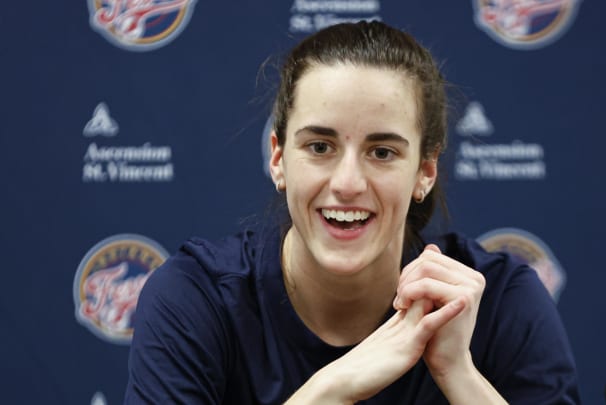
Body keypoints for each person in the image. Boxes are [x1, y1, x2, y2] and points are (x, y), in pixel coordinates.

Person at [124, 20, 581, 404]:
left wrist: (460, 375)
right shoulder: (195, 299)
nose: (347, 184)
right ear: (279, 158)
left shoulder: (502, 302)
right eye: (320, 146)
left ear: (425, 170)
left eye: (382, 152)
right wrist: (329, 390)